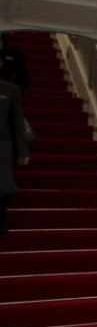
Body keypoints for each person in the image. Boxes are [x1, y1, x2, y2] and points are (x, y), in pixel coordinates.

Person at [0, 79, 29, 235]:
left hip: (3, 146)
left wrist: (22, 151)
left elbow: (18, 122)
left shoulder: (10, 90)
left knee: (6, 188)